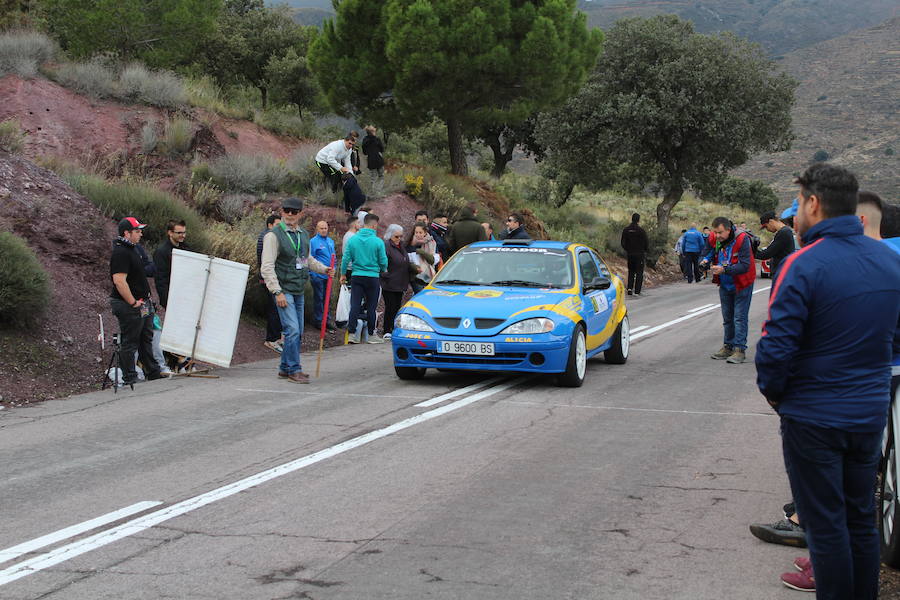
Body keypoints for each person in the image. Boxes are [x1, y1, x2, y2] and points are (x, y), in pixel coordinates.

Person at [756, 163, 900, 596]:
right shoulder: (890, 262)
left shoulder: (802, 265)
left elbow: (774, 351)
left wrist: (779, 398)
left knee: (825, 526)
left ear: (814, 204)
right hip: (869, 415)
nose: (796, 213)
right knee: (860, 518)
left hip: (813, 418)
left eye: (799, 203)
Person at [260, 198, 334, 384]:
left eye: (294, 211)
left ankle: (284, 368)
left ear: (301, 213)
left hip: (298, 288)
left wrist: (324, 269)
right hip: (284, 289)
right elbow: (267, 267)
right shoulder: (273, 236)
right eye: (287, 211)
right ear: (282, 212)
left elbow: (305, 260)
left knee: (298, 331)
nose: (290, 214)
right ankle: (294, 369)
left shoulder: (303, 235)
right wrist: (277, 292)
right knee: (292, 330)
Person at [109, 217, 163, 385]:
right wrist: (132, 302)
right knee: (130, 341)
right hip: (129, 305)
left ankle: (152, 372)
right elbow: (119, 281)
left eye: (140, 230)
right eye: (137, 231)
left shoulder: (134, 249)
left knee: (145, 336)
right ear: (127, 233)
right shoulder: (120, 252)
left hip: (143, 303)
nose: (141, 234)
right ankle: (129, 377)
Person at [700, 217, 755, 364]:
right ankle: (728, 346)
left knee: (739, 317)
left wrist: (724, 269)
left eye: (720, 233)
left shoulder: (742, 239)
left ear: (729, 230)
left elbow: (745, 265)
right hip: (725, 284)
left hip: (742, 284)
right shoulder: (715, 238)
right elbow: (708, 252)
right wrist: (704, 261)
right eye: (715, 233)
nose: (717, 236)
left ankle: (739, 349)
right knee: (727, 318)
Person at [340, 213, 388, 344]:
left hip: (357, 276)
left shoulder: (353, 240)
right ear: (373, 225)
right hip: (372, 277)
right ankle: (371, 334)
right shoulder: (378, 241)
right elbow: (383, 260)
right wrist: (383, 269)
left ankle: (352, 333)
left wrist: (343, 274)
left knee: (355, 305)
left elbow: (345, 258)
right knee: (371, 307)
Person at [380, 224, 418, 340]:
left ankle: (393, 328)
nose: (399, 239)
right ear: (390, 235)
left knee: (397, 307)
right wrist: (386, 275)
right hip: (390, 282)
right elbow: (382, 262)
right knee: (390, 307)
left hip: (400, 282)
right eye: (396, 236)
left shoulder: (401, 246)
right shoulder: (386, 246)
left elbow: (404, 261)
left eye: (401, 236)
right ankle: (387, 330)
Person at [257, 215, 283, 353]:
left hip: (270, 278)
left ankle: (276, 337)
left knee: (276, 309)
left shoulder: (268, 236)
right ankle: (271, 339)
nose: (280, 227)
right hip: (268, 279)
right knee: (274, 309)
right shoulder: (268, 237)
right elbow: (266, 262)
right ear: (270, 225)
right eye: (277, 224)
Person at [756, 210, 796, 286]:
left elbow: (767, 254)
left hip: (782, 274)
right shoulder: (785, 232)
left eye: (766, 226)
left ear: (771, 221)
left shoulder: (783, 233)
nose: (767, 230)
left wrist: (752, 251)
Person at [309, 220, 336, 332]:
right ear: (317, 229)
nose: (324, 230)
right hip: (318, 275)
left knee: (327, 298)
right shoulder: (313, 242)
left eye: (325, 228)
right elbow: (310, 258)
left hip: (329, 275)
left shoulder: (330, 241)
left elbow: (333, 257)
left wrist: (335, 268)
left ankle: (327, 320)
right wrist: (312, 274)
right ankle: (319, 321)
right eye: (321, 228)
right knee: (319, 298)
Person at [620, 213, 649, 295]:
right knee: (639, 272)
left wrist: (628, 250)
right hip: (639, 254)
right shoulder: (641, 231)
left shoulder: (626, 230)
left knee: (631, 271)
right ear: (638, 220)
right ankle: (637, 290)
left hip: (630, 254)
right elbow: (646, 243)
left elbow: (622, 242)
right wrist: (644, 250)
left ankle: (629, 288)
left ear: (632, 219)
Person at [407, 222, 437, 293]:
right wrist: (414, 267)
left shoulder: (431, 243)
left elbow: (432, 260)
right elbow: (405, 259)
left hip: (427, 274)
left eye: (420, 232)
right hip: (415, 276)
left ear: (425, 233)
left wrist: (421, 252)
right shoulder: (410, 243)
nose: (418, 235)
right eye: (416, 232)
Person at [361, 125, 385, 196]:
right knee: (381, 176)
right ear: (373, 132)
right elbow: (382, 149)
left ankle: (373, 193)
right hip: (378, 159)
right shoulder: (377, 139)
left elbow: (364, 153)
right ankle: (378, 191)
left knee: (373, 178)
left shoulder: (365, 140)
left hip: (370, 160)